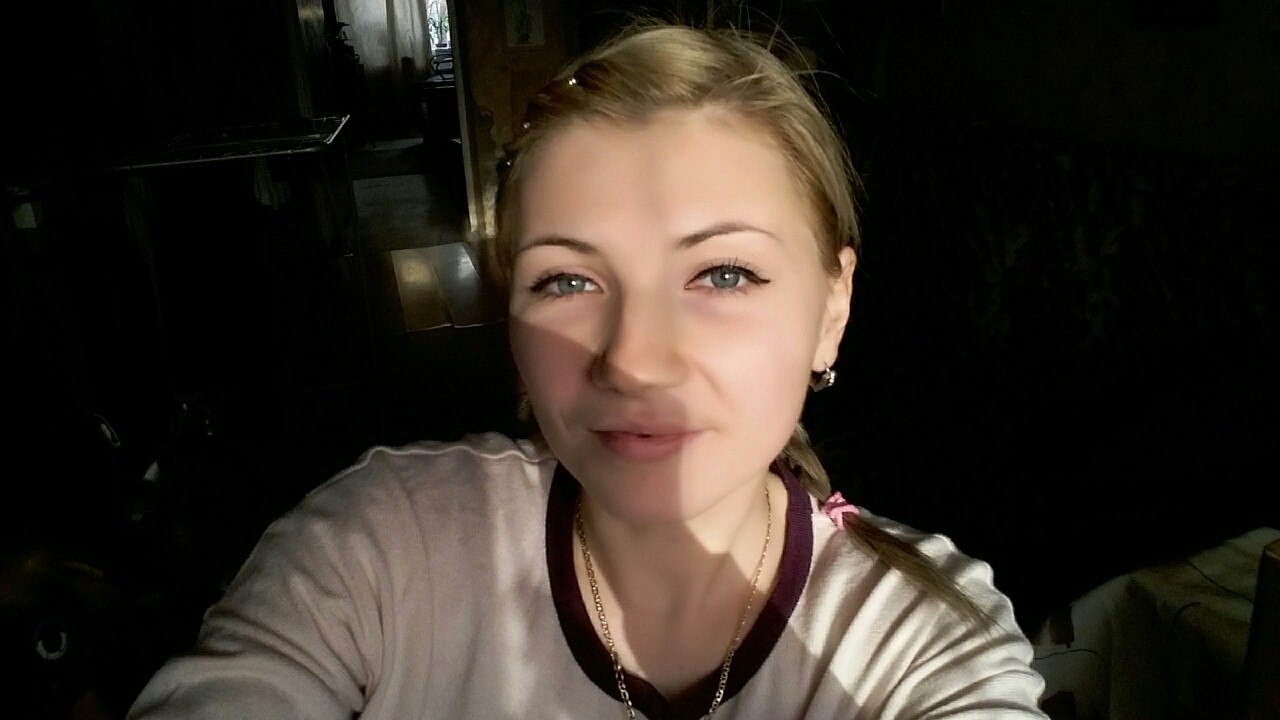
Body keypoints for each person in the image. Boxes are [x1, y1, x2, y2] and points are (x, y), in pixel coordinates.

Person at [127, 21, 1047, 719]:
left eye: (724, 273)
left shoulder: (921, 642)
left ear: (831, 310)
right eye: (567, 280)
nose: (634, 357)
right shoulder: (377, 554)